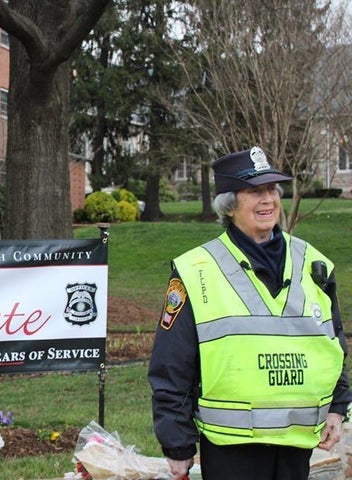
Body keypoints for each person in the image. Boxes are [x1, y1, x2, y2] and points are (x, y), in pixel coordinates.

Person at [148, 146, 352, 480]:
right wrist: (177, 443)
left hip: (296, 443)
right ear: (229, 205)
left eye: (272, 189)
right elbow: (172, 364)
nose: (268, 200)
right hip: (232, 449)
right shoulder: (196, 270)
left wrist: (338, 407)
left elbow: (332, 342)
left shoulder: (313, 264)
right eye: (255, 191)